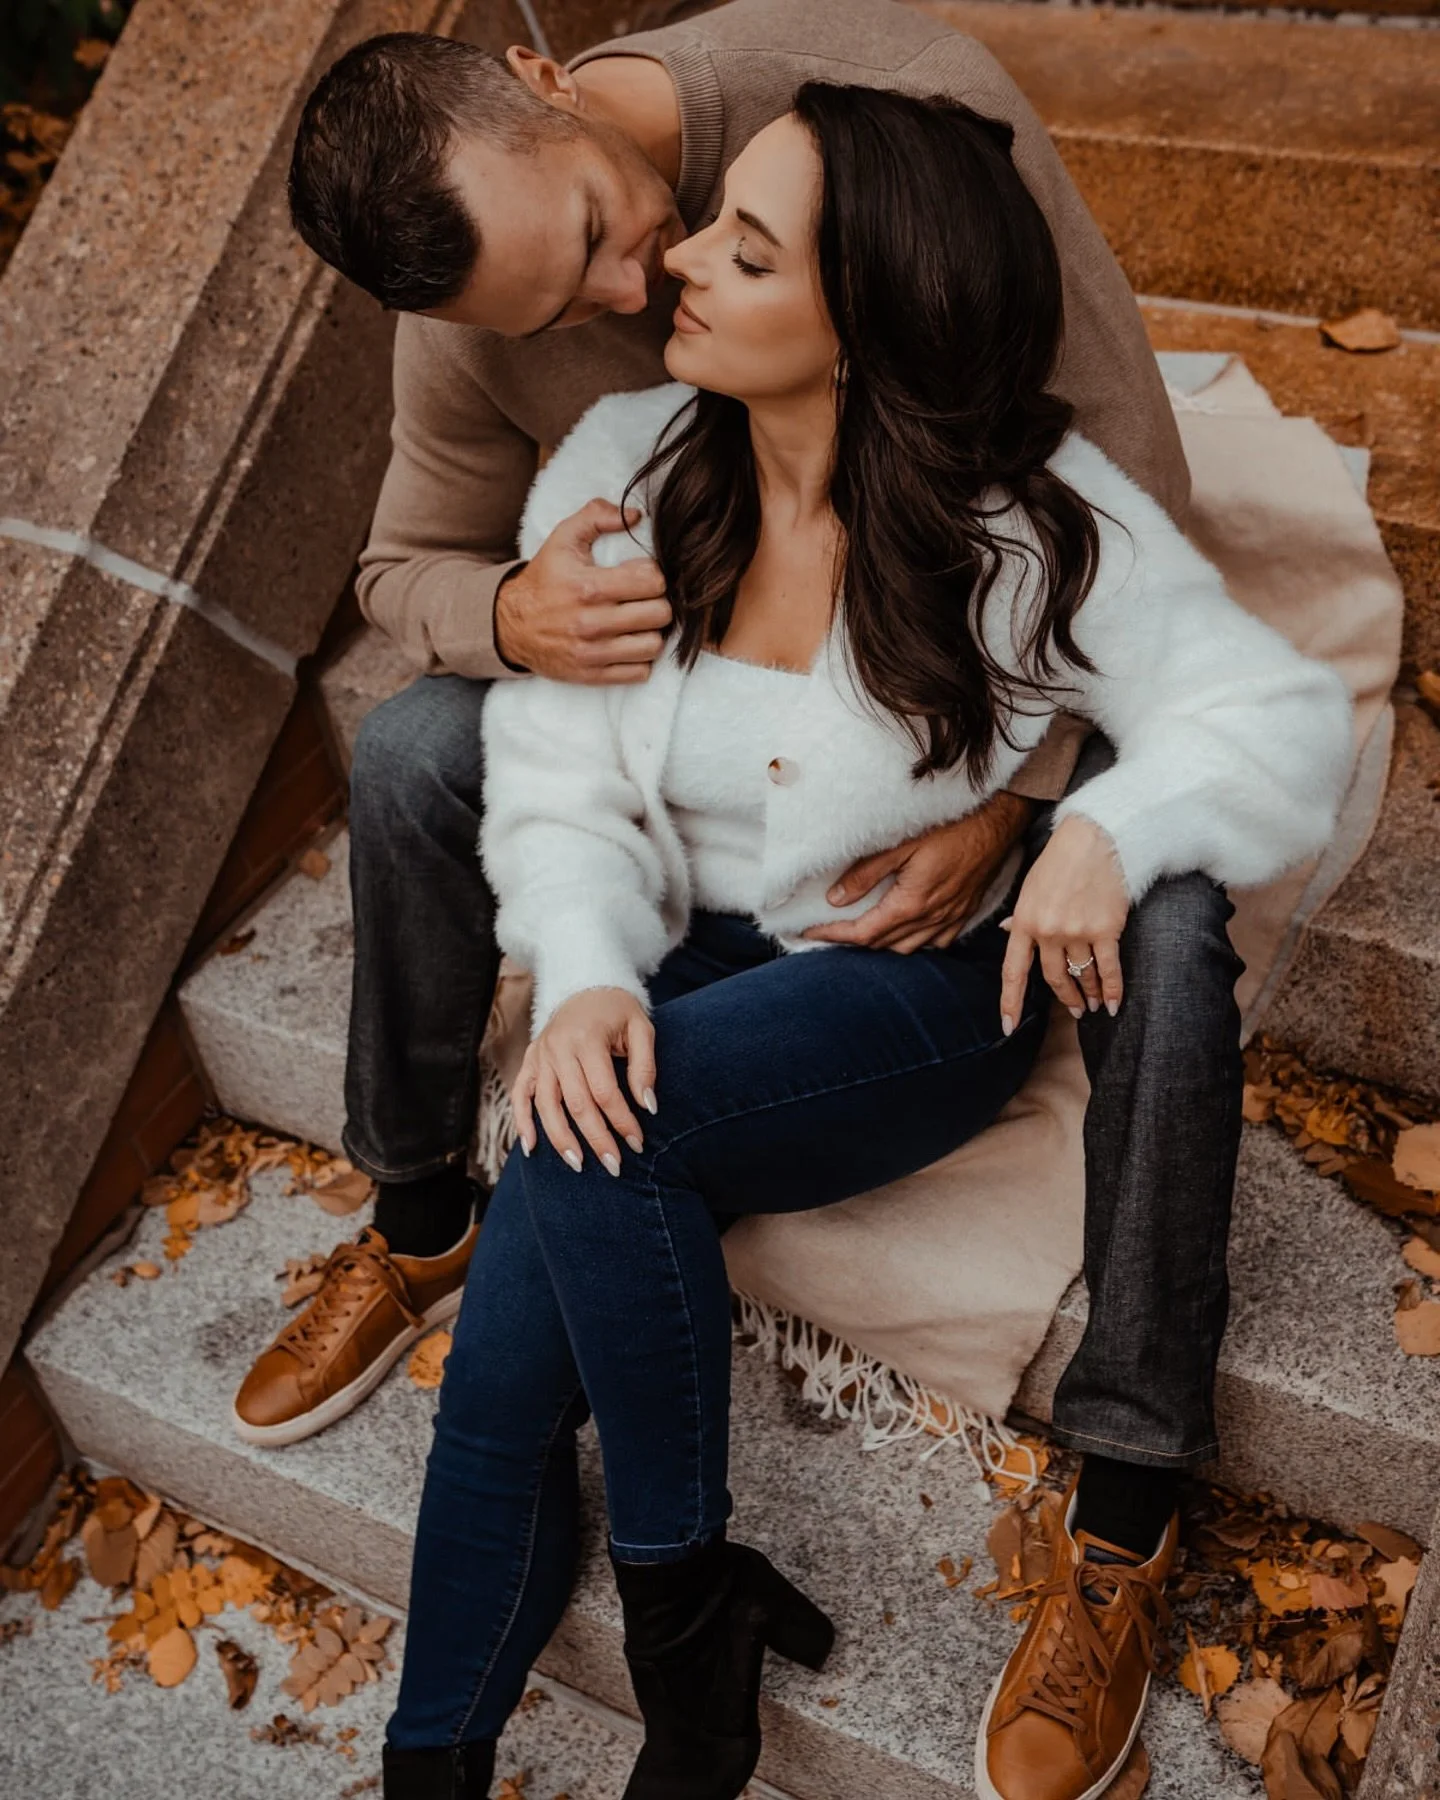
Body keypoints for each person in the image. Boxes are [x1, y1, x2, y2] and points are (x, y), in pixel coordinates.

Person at [379, 84, 1351, 1800]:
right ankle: (439, 1755)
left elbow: (1275, 718)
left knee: (597, 1145)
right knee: (506, 1353)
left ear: (863, 321)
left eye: (742, 252)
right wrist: (592, 974)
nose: (676, 259)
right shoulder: (622, 468)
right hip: (675, 965)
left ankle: (685, 1622)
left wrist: (1101, 828)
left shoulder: (1030, 525)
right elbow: (547, 772)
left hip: (897, 997)